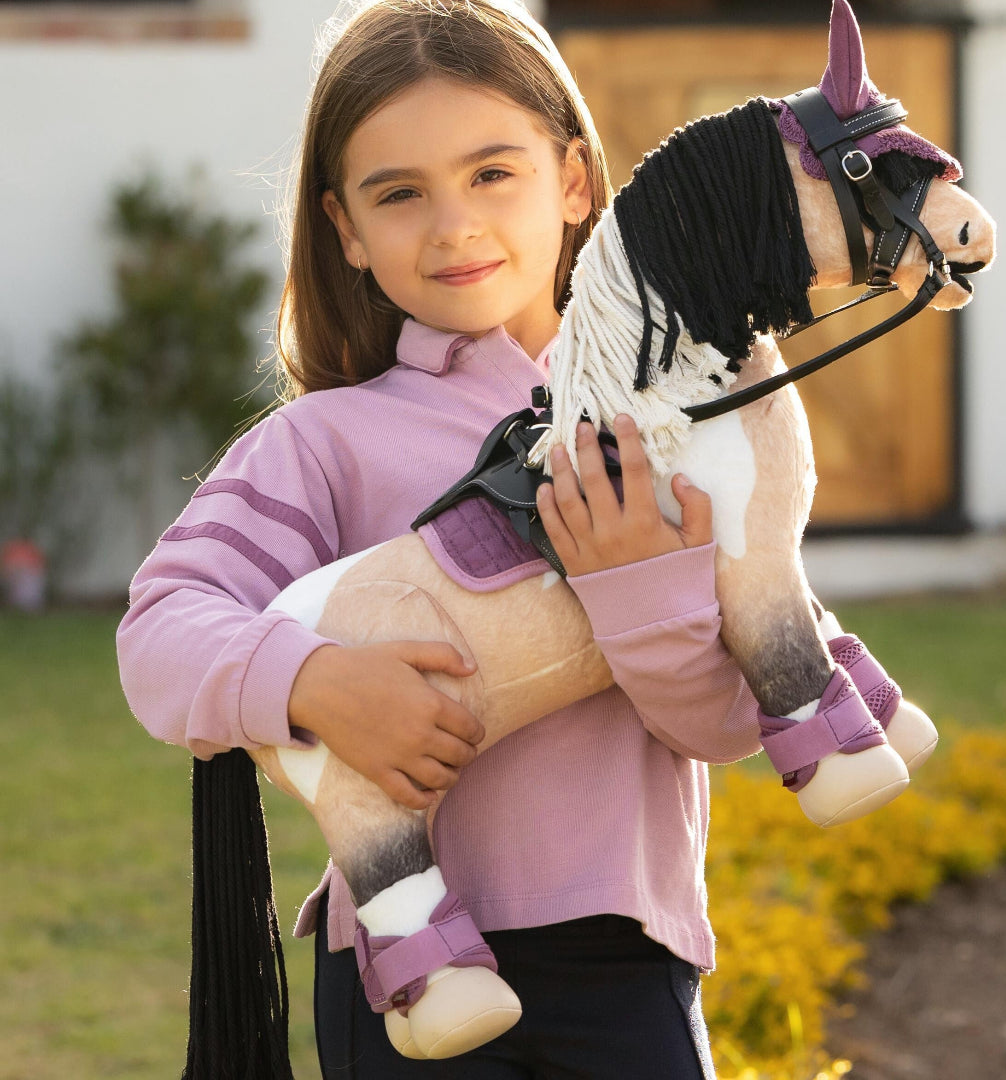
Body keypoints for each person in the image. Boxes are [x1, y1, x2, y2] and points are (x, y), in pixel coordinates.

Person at [116, 1, 763, 1076]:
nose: (453, 225)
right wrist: (314, 681)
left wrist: (638, 590)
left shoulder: (670, 427)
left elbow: (729, 725)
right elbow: (160, 632)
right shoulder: (320, 446)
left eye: (490, 173)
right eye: (399, 194)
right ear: (347, 231)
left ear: (572, 180)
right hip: (404, 969)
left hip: (630, 957)